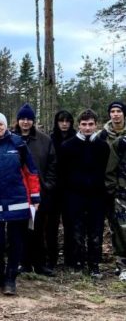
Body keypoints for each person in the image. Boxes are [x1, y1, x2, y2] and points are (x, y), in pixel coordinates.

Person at [0, 112, 40, 296]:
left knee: (16, 241)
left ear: (5, 125)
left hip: (17, 200)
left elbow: (31, 171)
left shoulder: (18, 143)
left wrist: (35, 198)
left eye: (0, 124)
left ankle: (11, 278)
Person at [59, 109, 110, 278]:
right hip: (74, 197)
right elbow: (62, 174)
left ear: (96, 125)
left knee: (95, 233)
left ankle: (94, 265)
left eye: (90, 124)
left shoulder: (103, 147)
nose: (87, 128)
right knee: (76, 232)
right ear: (79, 125)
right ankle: (78, 264)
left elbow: (106, 172)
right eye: (84, 124)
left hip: (97, 196)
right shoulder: (68, 146)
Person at [13, 103, 57, 276]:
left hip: (39, 192)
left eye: (29, 119)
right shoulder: (11, 138)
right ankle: (23, 263)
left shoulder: (44, 140)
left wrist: (48, 184)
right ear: (18, 120)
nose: (25, 122)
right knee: (20, 229)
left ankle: (39, 264)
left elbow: (53, 164)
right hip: (16, 193)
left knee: (38, 229)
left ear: (33, 121)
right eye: (22, 119)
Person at [50, 110, 77, 268]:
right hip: (54, 188)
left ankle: (70, 259)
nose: (64, 124)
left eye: (67, 120)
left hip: (71, 189)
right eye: (61, 121)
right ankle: (51, 259)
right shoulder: (51, 138)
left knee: (70, 224)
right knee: (52, 226)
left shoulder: (76, 138)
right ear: (57, 122)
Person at [106, 130, 126, 281]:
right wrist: (114, 191)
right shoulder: (120, 143)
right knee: (121, 231)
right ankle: (123, 266)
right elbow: (110, 170)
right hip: (122, 195)